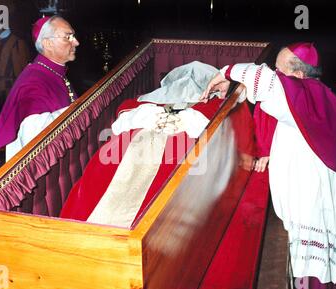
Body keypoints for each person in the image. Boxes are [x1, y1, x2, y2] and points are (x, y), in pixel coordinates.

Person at [200, 43, 336, 289]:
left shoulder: (306, 97)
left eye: (279, 69)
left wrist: (225, 72)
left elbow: (261, 79)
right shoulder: (314, 96)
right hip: (316, 199)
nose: (274, 72)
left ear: (298, 76)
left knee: (313, 281)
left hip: (314, 207)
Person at [60, 61, 255, 228]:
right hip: (144, 133)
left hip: (177, 139)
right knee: (108, 171)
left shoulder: (215, 105)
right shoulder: (149, 101)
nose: (188, 82)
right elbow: (127, 111)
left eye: (221, 91)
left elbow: (238, 100)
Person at [0, 15, 79, 161]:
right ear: (48, 43)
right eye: (68, 37)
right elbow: (37, 141)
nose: (76, 42)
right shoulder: (34, 83)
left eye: (74, 36)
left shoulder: (53, 71)